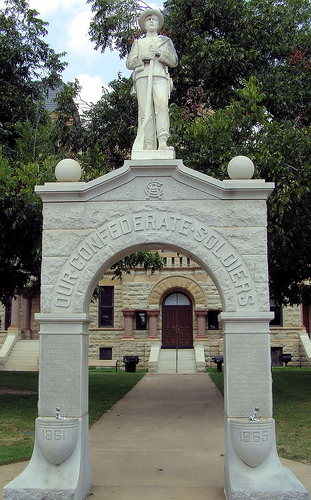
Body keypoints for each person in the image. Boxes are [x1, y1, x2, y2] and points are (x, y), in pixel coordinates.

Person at [126, 9, 178, 152]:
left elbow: (174, 61)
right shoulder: (138, 43)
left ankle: (162, 141)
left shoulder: (165, 41)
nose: (151, 21)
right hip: (143, 75)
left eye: (154, 19)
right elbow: (129, 63)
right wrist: (142, 57)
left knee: (161, 106)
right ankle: (148, 144)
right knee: (145, 111)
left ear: (158, 24)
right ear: (144, 24)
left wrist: (160, 54)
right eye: (148, 19)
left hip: (160, 75)